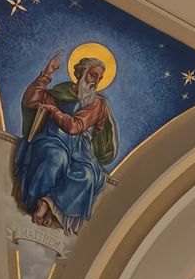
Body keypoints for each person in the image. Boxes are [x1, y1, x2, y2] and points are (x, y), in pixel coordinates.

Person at [14, 52, 118, 235]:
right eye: (93, 74)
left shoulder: (97, 103)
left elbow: (75, 127)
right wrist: (46, 75)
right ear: (81, 73)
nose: (96, 81)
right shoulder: (61, 91)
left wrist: (53, 110)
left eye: (99, 78)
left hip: (80, 148)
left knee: (86, 175)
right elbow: (31, 101)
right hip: (52, 138)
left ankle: (49, 204)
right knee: (56, 158)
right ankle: (36, 204)